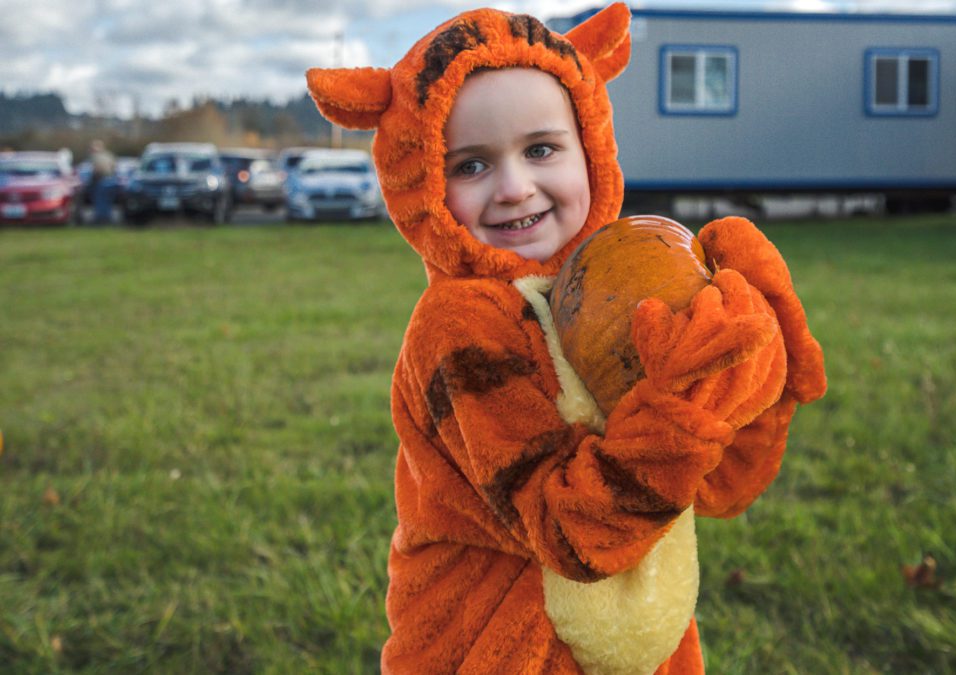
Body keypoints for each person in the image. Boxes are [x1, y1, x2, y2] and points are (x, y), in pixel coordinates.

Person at [307, 4, 826, 673]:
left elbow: (722, 485)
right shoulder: (458, 329)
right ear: (424, 182)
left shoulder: (628, 276)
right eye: (470, 165)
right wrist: (678, 410)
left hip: (645, 635)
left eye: (541, 149)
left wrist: (751, 361)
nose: (515, 188)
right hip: (500, 643)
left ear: (591, 147)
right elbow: (569, 530)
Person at [88, 139, 117, 224]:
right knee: (108, 202)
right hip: (111, 181)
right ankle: (108, 218)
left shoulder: (96, 157)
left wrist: (91, 181)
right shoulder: (109, 155)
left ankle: (101, 219)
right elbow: (114, 167)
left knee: (100, 201)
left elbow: (97, 170)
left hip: (101, 181)